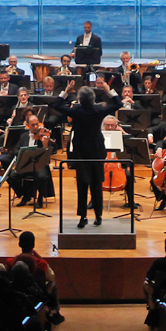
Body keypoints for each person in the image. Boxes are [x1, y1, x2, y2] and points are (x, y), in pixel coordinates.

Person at [48, 84, 125, 227]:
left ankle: (83, 217)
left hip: (81, 152)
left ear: (79, 99)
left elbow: (57, 105)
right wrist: (108, 90)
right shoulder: (99, 109)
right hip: (97, 151)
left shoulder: (76, 110)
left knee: (82, 185)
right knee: (97, 185)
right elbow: (118, 103)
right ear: (93, 98)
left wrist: (66, 91)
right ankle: (98, 216)